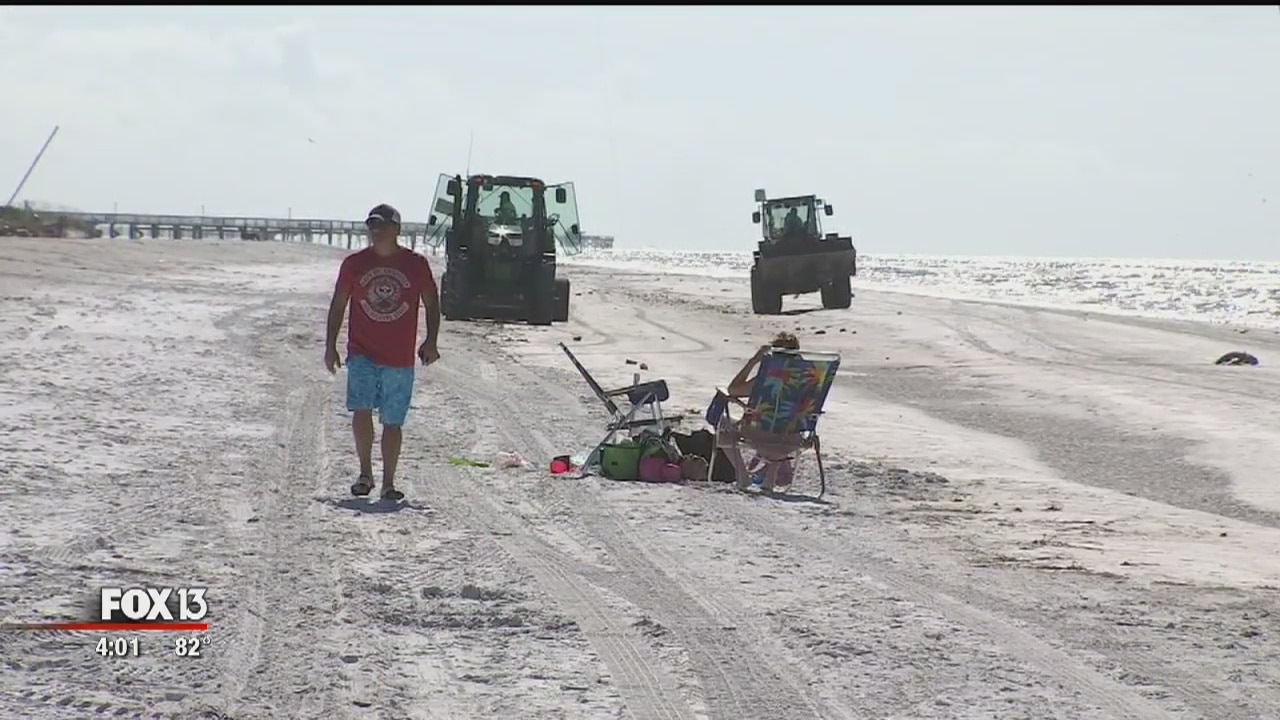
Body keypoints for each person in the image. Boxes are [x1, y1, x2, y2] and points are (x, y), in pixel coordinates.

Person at [324, 203, 441, 501]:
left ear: (397, 229)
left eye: (383, 226)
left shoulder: (415, 264)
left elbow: (432, 302)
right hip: (361, 351)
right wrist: (330, 346)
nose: (377, 231)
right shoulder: (354, 264)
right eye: (372, 226)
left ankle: (389, 482)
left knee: (392, 420)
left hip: (399, 355)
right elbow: (338, 305)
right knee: (361, 410)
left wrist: (431, 341)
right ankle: (365, 474)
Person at [719, 332, 805, 492]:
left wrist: (754, 360)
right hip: (792, 440)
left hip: (759, 437)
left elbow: (733, 390)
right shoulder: (808, 381)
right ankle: (769, 479)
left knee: (723, 423)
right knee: (781, 424)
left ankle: (743, 477)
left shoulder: (768, 379)